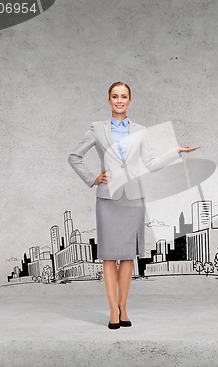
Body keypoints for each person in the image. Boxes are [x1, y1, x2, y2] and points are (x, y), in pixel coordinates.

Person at [68, 81, 199, 329]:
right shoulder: (97, 129)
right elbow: (74, 157)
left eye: (124, 96)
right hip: (108, 198)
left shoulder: (141, 130)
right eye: (115, 96)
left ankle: (123, 306)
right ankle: (111, 310)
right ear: (108, 100)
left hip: (133, 198)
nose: (119, 100)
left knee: (128, 256)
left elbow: (149, 163)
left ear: (130, 100)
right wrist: (92, 178)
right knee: (108, 257)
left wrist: (175, 151)